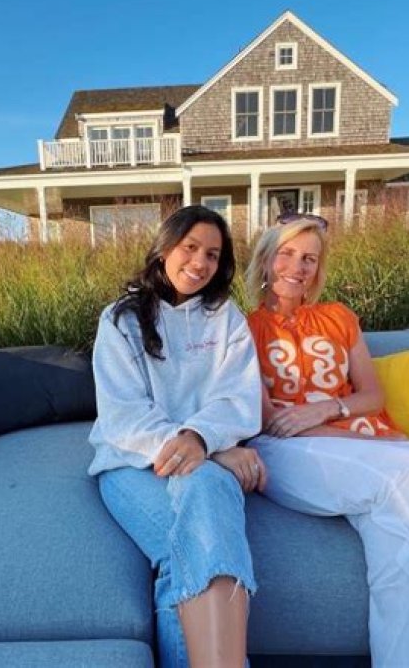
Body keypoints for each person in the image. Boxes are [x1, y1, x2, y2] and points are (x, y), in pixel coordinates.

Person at [242, 213, 409, 668]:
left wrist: (327, 409)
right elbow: (270, 420)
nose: (298, 266)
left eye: (310, 258)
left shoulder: (339, 317)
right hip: (288, 450)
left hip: (362, 443)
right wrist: (349, 437)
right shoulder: (244, 328)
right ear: (267, 260)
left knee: (397, 554)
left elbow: (372, 395)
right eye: (287, 254)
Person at [88, 205, 266, 668]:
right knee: (205, 490)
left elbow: (239, 397)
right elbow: (124, 415)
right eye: (190, 247)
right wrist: (206, 449)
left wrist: (202, 441)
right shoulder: (121, 319)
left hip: (204, 456)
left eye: (213, 254)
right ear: (165, 248)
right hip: (130, 462)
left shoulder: (225, 317)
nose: (200, 262)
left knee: (181, 555)